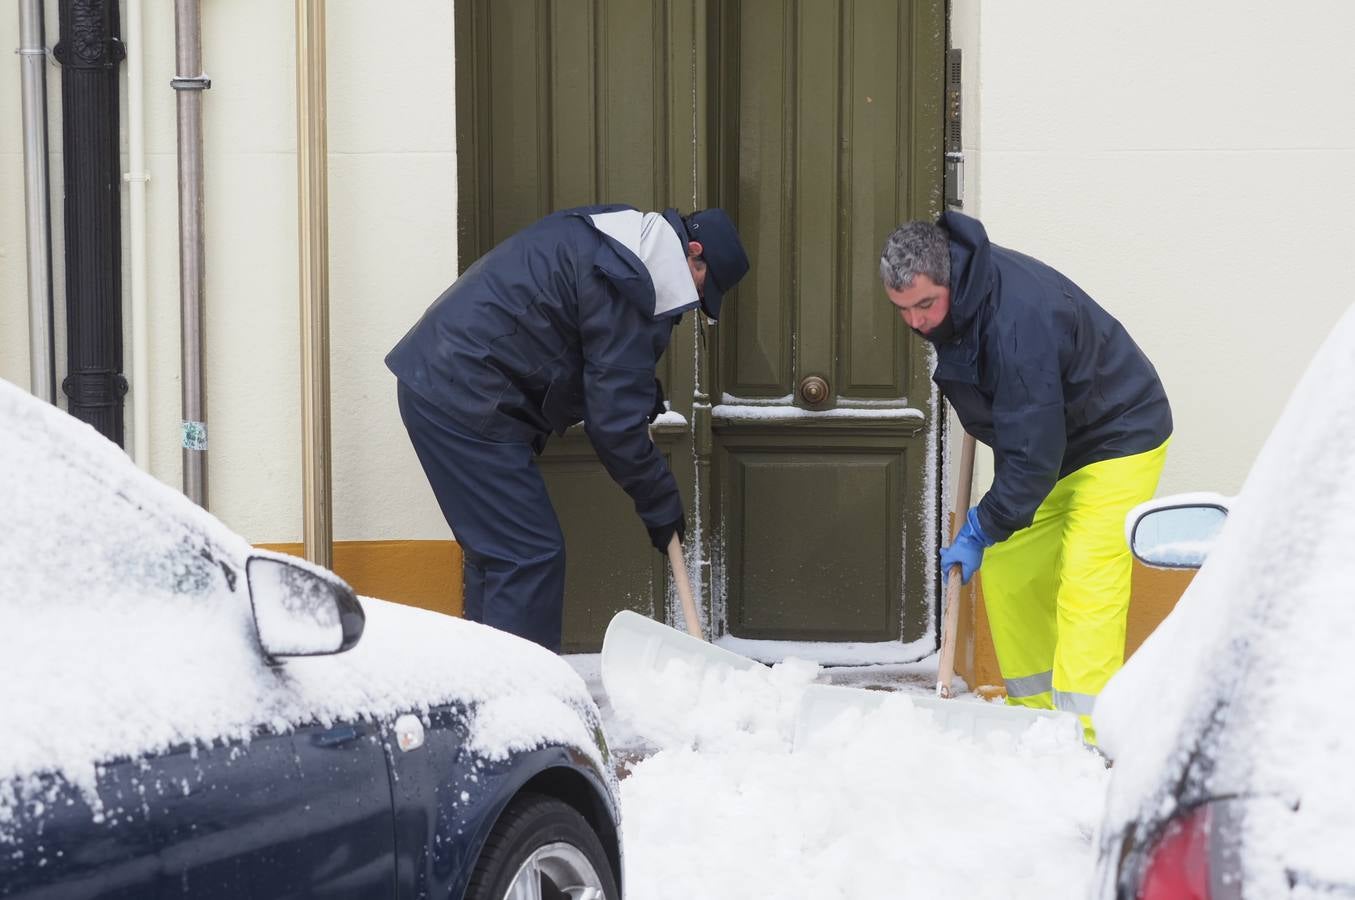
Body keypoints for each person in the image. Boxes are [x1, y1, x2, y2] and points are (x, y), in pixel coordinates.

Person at [387, 204, 749, 652]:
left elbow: (570, 338)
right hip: (465, 396)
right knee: (528, 557)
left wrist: (633, 388)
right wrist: (659, 502)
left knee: (503, 558)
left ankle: (488, 696)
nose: (695, 301)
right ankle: (523, 709)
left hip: (449, 383)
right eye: (703, 286)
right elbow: (612, 426)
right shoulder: (636, 277)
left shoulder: (621, 240)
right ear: (693, 254)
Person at [879, 211, 1172, 742]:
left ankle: (1086, 738)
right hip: (1057, 441)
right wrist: (992, 532)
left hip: (1118, 435)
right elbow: (1030, 437)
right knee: (1011, 564)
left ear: (950, 278)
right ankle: (1036, 719)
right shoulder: (963, 299)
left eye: (925, 305)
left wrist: (978, 526)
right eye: (903, 310)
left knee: (1087, 584)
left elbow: (1032, 454)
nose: (917, 322)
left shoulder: (1015, 323)